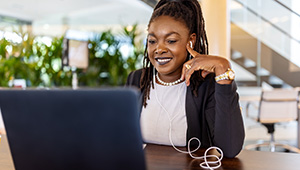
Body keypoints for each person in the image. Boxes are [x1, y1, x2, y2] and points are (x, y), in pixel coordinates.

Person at [126, 0, 244, 158]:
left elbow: (229, 149)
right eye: (152, 41)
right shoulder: (137, 80)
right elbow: (121, 138)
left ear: (191, 41)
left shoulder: (205, 85)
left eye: (171, 41)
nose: (159, 49)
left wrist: (223, 69)